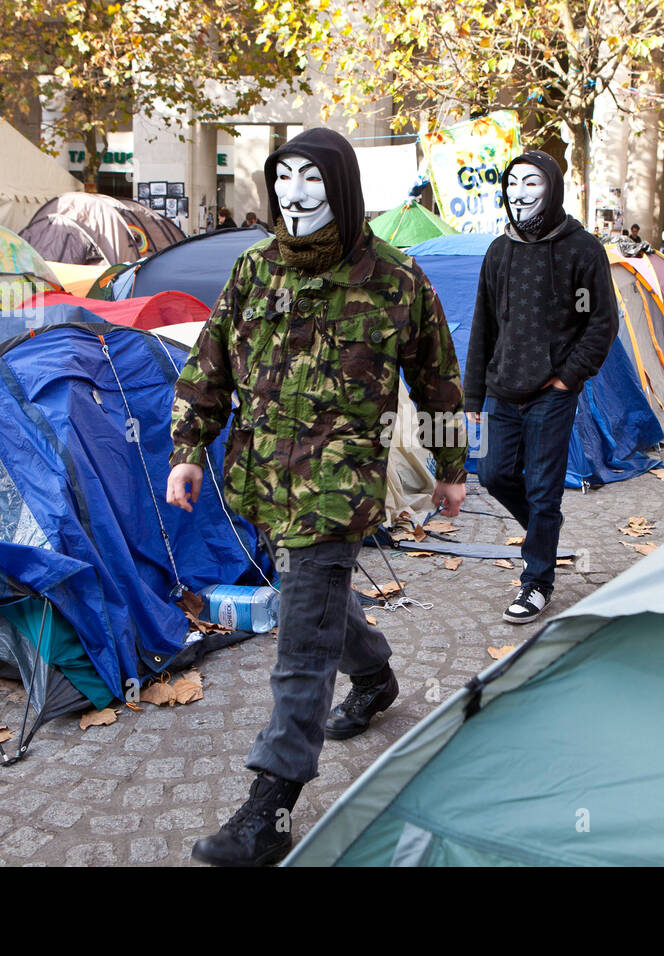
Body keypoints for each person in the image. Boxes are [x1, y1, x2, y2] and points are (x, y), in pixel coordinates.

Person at [167, 127, 468, 866]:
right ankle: (373, 672)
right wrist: (187, 449)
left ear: (343, 188)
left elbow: (437, 379)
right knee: (318, 600)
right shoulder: (253, 271)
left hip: (338, 494)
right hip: (265, 481)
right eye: (285, 178)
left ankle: (269, 808)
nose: (294, 195)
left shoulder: (396, 279)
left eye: (312, 180)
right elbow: (210, 365)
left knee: (299, 647)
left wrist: (452, 468)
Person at [464, 150, 617, 624]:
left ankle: (536, 583)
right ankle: (543, 532)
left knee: (545, 488)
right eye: (513, 184)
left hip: (552, 394)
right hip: (500, 389)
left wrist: (565, 377)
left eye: (532, 183)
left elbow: (602, 323)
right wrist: (473, 396)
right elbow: (483, 326)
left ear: (551, 187)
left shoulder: (582, 249)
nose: (520, 193)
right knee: (491, 474)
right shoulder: (498, 250)